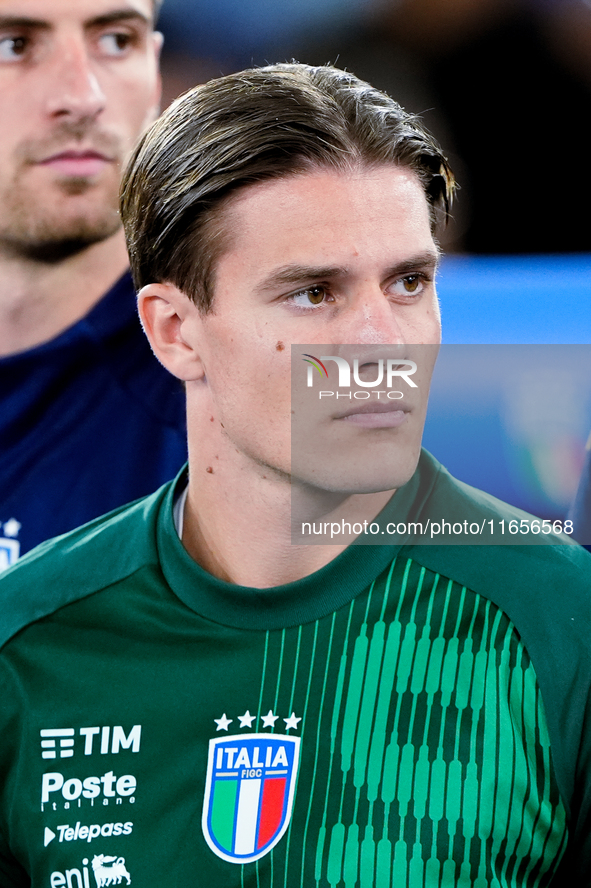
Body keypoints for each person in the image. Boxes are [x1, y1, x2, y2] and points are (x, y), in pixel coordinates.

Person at [1, 64, 590, 887]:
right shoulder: (22, 641)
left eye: (409, 283)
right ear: (174, 331)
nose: (383, 344)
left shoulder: (566, 627)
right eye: (314, 294)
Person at [0, 0, 186, 568]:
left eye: (114, 40)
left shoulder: (261, 388)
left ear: (154, 71)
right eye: (13, 45)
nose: (83, 97)